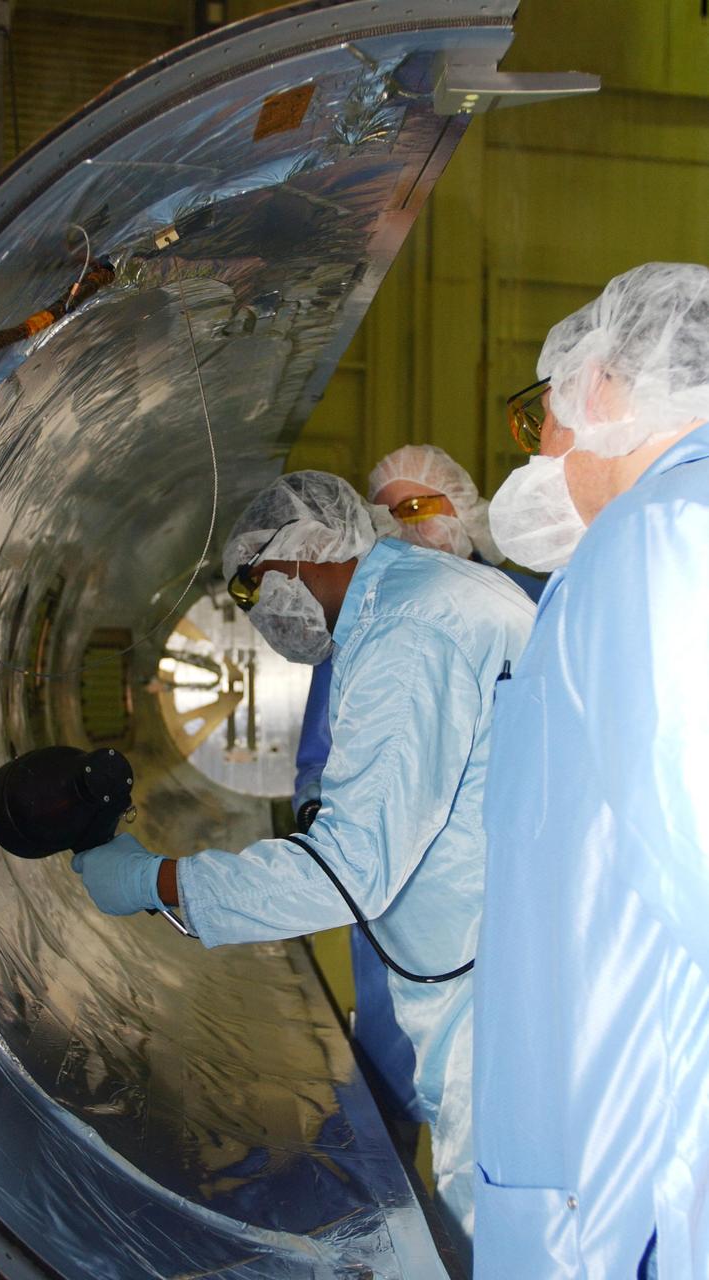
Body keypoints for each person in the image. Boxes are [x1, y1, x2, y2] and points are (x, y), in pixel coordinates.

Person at [72, 470, 534, 1265]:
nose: (256, 619)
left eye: (251, 590)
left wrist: (155, 882)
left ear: (303, 553)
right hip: (487, 958)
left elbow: (347, 872)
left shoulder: (408, 632)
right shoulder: (407, 604)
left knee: (502, 1232)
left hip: (497, 989)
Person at [472, 262, 709, 1279]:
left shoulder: (664, 534)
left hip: (627, 1190)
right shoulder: (638, 544)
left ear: (609, 386)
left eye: (547, 411)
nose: (541, 446)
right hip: (597, 1161)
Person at [292, 445, 526, 1155]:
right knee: (393, 1083)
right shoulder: (362, 630)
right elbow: (316, 764)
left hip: (515, 902)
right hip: (400, 915)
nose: (407, 526)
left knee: (507, 1098)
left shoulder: (530, 606)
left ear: (465, 508)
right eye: (389, 514)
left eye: (421, 507)